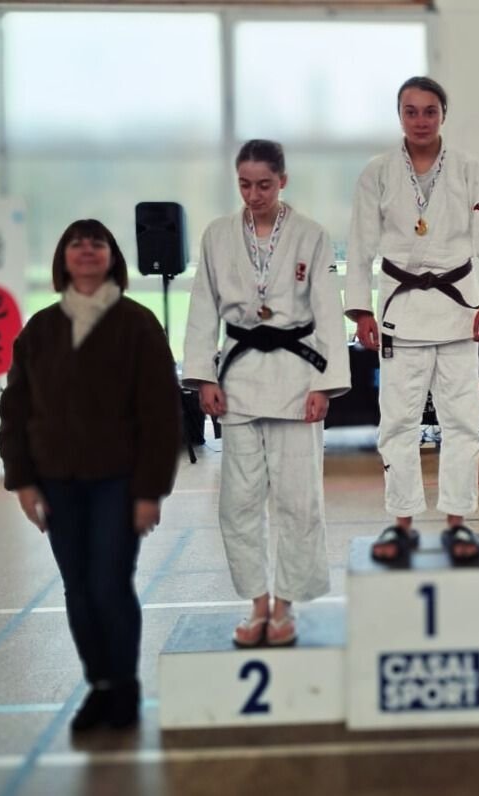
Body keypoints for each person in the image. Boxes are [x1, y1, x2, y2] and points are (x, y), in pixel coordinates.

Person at [0, 219, 181, 732]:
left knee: (108, 583)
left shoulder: (138, 324)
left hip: (118, 483)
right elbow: (15, 410)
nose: (85, 250)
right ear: (62, 258)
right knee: (77, 587)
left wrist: (149, 491)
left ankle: (123, 686)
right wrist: (23, 481)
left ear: (111, 257)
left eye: (96, 242)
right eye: (76, 243)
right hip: (56, 482)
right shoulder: (40, 329)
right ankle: (99, 686)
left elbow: (161, 415)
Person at [182, 139, 350, 647]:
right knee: (238, 503)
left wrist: (326, 383)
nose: (253, 194)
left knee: (299, 502)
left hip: (298, 379)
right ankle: (256, 603)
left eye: (264, 184)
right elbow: (202, 311)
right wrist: (204, 376)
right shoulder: (216, 236)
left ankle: (285, 606)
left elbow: (326, 307)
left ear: (283, 181)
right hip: (238, 380)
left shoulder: (311, 236)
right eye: (244, 184)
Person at [344, 76, 479, 563]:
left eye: (429, 111)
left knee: (463, 422)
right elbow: (359, 245)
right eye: (411, 111)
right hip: (400, 310)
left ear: (444, 114)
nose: (420, 120)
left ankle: (458, 523)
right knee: (397, 423)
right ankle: (401, 523)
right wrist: (360, 309)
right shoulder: (376, 173)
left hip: (458, 309)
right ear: (399, 115)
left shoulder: (468, 171)